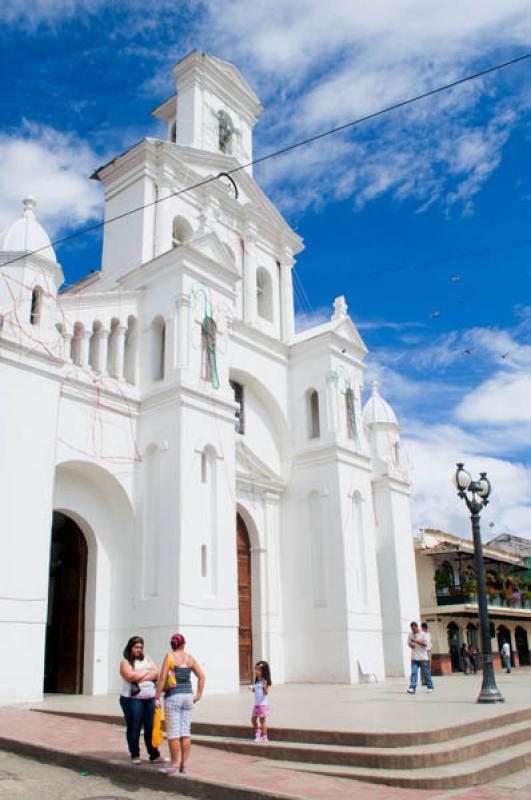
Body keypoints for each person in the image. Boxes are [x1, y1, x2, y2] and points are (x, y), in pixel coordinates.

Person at [156, 633, 205, 776]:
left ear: (172, 645)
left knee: (173, 733)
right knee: (185, 732)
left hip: (173, 696)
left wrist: (157, 697)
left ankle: (174, 765)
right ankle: (184, 765)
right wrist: (198, 695)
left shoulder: (170, 657)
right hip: (188, 696)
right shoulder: (190, 658)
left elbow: (162, 678)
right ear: (183, 644)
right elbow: (202, 676)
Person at [119, 635, 161, 765]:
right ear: (130, 647)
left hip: (149, 698)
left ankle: (154, 755)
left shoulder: (147, 658)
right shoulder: (125, 662)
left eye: (141, 647)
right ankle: (135, 754)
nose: (139, 649)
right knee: (134, 727)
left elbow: (156, 672)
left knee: (150, 727)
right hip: (132, 699)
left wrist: (140, 676)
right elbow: (130, 676)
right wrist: (146, 674)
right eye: (136, 647)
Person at [407, 621, 434, 694]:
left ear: (417, 627)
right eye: (411, 629)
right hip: (414, 658)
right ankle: (412, 688)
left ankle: (430, 687)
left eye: (414, 629)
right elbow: (409, 643)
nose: (413, 630)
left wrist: (416, 641)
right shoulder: (410, 634)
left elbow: (425, 644)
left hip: (422, 657)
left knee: (426, 673)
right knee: (414, 673)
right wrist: (411, 645)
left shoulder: (423, 634)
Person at [250, 660, 271, 743]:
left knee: (262, 721)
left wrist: (264, 688)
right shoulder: (257, 680)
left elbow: (266, 693)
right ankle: (257, 733)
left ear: (263, 671)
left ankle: (264, 736)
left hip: (262, 705)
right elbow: (256, 691)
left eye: (258, 670)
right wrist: (253, 689)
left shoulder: (264, 681)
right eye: (255, 669)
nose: (256, 671)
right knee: (253, 719)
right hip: (256, 705)